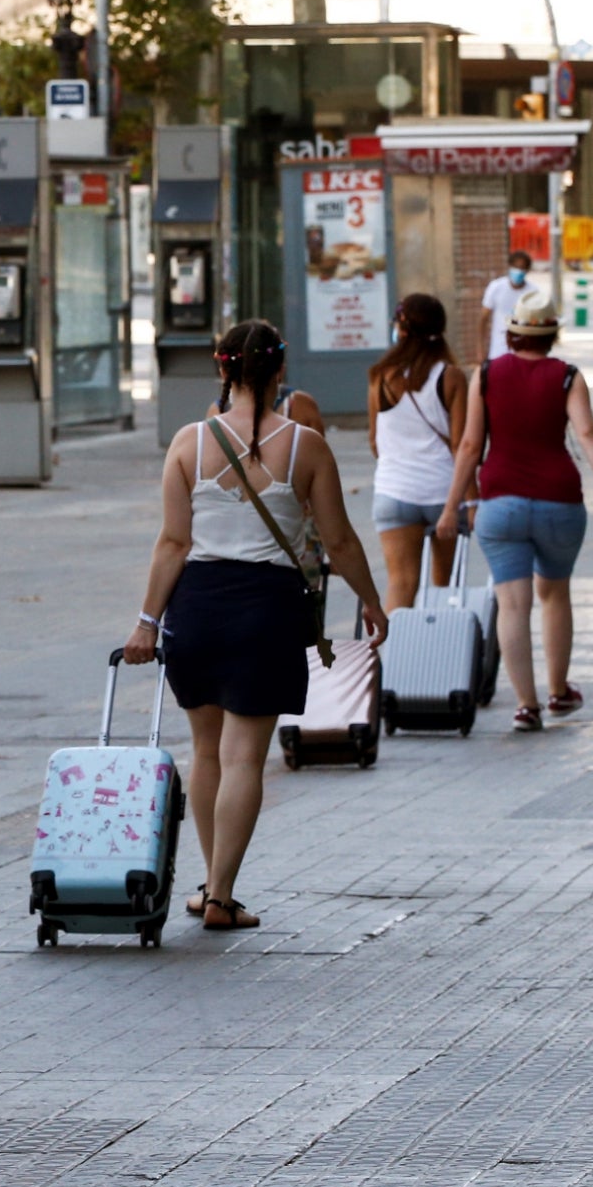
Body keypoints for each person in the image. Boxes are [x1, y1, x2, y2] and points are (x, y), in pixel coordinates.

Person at [122, 321, 386, 932]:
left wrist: (145, 623)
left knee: (206, 752)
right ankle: (221, 895)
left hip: (197, 608)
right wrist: (371, 601)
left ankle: (210, 886)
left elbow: (172, 541)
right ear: (279, 373)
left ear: (224, 371)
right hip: (267, 609)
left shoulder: (188, 444)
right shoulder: (307, 446)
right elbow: (339, 541)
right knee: (245, 759)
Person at [436, 288, 593, 732]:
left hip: (500, 504)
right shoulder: (567, 377)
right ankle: (559, 691)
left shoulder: (487, 375)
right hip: (560, 501)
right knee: (555, 594)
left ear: (512, 333)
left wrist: (452, 507)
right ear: (553, 333)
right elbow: (589, 432)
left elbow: (468, 446)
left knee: (513, 605)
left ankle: (526, 705)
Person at [364, 293, 469, 612]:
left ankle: (395, 658)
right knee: (444, 585)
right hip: (443, 494)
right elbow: (462, 444)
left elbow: (374, 441)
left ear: (402, 329)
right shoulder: (451, 377)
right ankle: (440, 657)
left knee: (400, 583)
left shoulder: (380, 376)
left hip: (394, 492)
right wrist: (471, 499)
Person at [480, 250, 532, 360]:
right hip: (498, 352)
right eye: (515, 267)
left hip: (524, 353)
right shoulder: (496, 287)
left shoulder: (533, 292)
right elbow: (483, 318)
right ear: (509, 267)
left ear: (527, 270)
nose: (518, 271)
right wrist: (480, 349)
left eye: (522, 268)